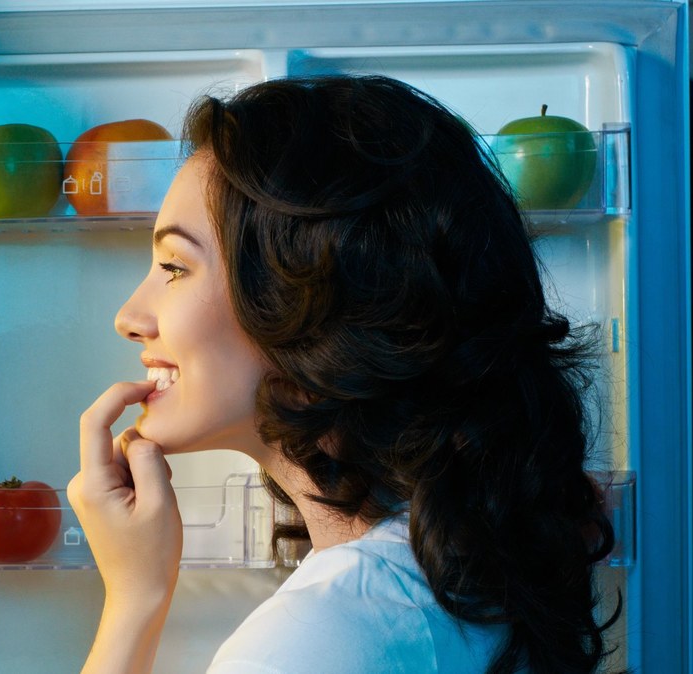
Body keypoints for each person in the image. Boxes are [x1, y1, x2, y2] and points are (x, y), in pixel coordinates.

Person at [67, 75, 619, 674]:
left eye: (174, 266)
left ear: (313, 308)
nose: (129, 317)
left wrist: (131, 602)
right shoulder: (455, 568)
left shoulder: (317, 640)